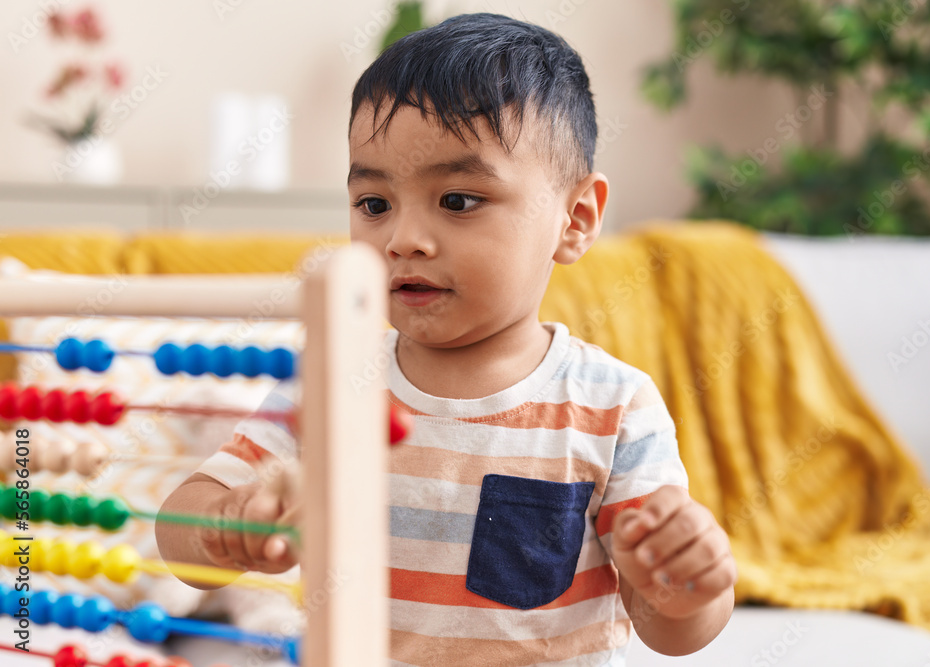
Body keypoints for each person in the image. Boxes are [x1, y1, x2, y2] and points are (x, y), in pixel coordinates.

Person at [156, 12, 736, 664]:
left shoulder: (613, 406)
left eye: (457, 200)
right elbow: (184, 525)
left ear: (574, 219)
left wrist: (687, 585)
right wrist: (224, 525)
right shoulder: (337, 381)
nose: (403, 238)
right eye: (374, 204)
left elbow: (668, 626)